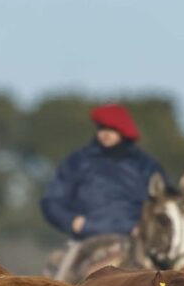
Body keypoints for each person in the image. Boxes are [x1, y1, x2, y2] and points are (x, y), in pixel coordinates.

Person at [41, 102, 172, 242]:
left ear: (123, 131)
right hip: (87, 238)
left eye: (112, 129)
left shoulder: (146, 166)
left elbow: (165, 204)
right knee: (58, 263)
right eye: (101, 128)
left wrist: (146, 228)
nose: (105, 133)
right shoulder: (77, 162)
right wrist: (70, 221)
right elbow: (52, 201)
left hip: (135, 239)